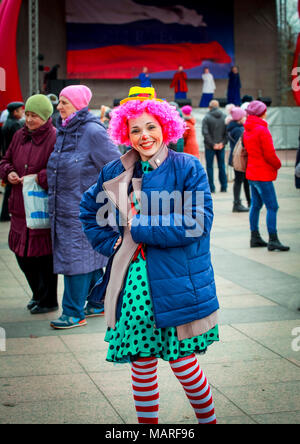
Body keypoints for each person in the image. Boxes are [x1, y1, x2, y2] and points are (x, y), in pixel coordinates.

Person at [79, 86, 219, 425]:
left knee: (184, 363)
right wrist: (108, 242)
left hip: (177, 282)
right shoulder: (115, 171)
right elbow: (88, 210)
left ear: (166, 128)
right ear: (125, 133)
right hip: (134, 286)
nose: (144, 136)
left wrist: (140, 227)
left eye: (151, 127)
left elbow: (198, 222)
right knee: (141, 364)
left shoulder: (188, 167)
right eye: (136, 129)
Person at [48, 85, 121, 329]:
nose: (59, 107)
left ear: (78, 104)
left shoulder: (92, 131)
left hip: (84, 209)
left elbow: (115, 167)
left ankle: (73, 312)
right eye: (59, 101)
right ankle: (97, 302)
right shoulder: (65, 130)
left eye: (64, 102)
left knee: (75, 259)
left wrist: (101, 198)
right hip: (63, 208)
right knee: (85, 256)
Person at [0, 94, 58, 313]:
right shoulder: (18, 136)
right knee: (21, 255)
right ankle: (37, 293)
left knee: (43, 257)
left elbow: (57, 171)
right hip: (18, 205)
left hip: (39, 208)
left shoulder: (54, 138)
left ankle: (48, 300)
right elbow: (5, 160)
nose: (30, 120)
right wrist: (9, 172)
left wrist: (37, 178)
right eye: (28, 115)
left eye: (35, 116)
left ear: (45, 117)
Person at [244, 100, 289, 251]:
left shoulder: (248, 129)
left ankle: (254, 236)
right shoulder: (262, 130)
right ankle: (273, 239)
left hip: (252, 173)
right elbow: (269, 154)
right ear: (261, 113)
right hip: (262, 174)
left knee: (255, 205)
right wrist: (278, 164)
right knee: (272, 206)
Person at [0, 102, 25, 221]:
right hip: (14, 160)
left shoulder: (6, 124)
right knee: (12, 189)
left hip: (7, 158)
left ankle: (4, 213)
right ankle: (5, 213)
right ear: (15, 112)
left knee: (8, 189)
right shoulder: (15, 125)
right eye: (21, 110)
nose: (22, 113)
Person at [227, 106, 250, 212]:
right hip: (240, 158)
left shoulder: (231, 127)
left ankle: (240, 202)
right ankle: (239, 203)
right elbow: (243, 145)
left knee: (240, 180)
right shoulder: (239, 129)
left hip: (234, 157)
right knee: (242, 181)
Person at [202, 100, 228, 193]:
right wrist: (222, 143)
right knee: (222, 166)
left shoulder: (207, 117)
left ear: (210, 107)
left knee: (209, 167)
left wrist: (213, 144)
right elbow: (227, 133)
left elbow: (205, 133)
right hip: (221, 146)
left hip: (209, 146)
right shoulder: (225, 117)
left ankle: (212, 188)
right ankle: (224, 187)